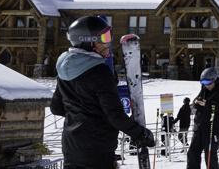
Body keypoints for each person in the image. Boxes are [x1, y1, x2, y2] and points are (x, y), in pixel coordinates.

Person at [50, 16, 155, 168]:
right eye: (104, 38)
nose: (108, 43)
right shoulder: (100, 72)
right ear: (88, 40)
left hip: (71, 147)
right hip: (97, 148)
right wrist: (141, 134)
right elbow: (114, 115)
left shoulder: (64, 69)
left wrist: (81, 115)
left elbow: (56, 107)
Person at [187, 67, 219, 169]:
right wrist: (196, 103)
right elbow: (196, 100)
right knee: (192, 153)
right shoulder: (204, 89)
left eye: (208, 82)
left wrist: (208, 104)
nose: (206, 85)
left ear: (215, 80)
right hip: (199, 127)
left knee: (210, 156)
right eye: (203, 82)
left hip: (213, 129)